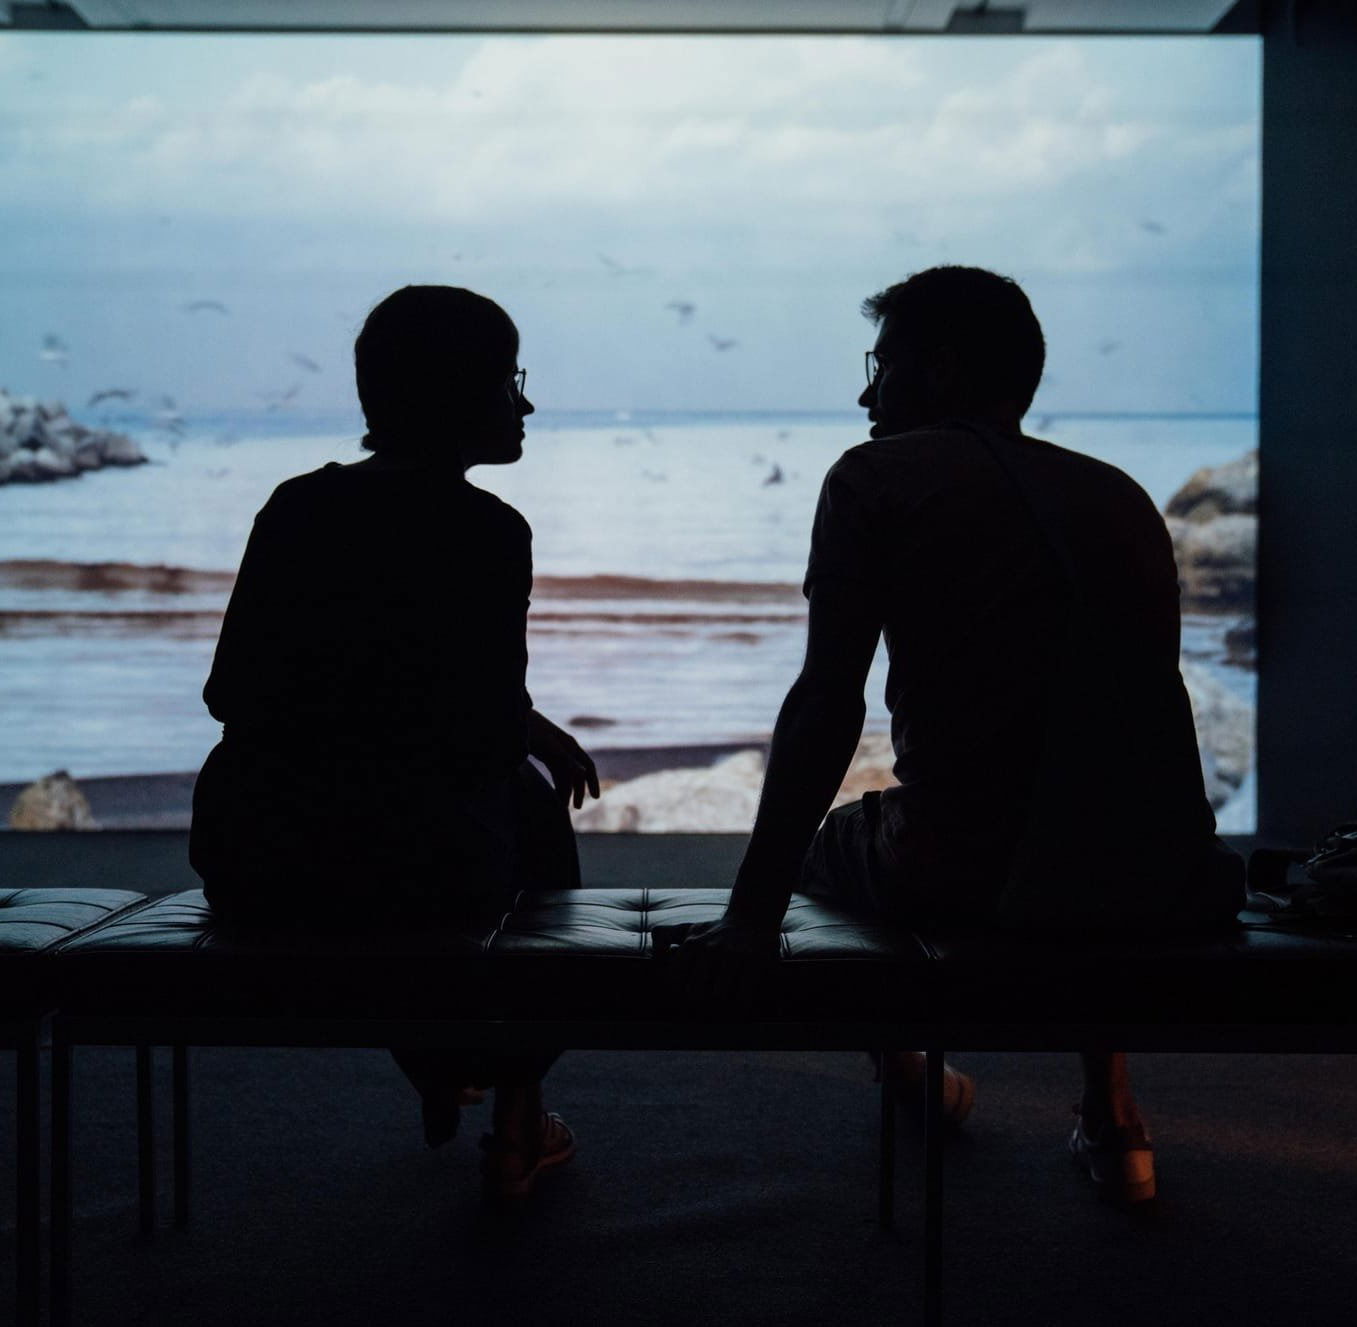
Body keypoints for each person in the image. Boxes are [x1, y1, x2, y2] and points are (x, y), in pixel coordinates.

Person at [673, 265, 1244, 1204]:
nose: (865, 391)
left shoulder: (873, 477)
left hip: (970, 870)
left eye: (880, 363)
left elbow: (826, 701)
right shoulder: (1118, 494)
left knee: (836, 847)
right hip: (1159, 872)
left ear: (935, 372)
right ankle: (1112, 1112)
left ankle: (914, 1079)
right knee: (1081, 798)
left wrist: (748, 915)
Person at [190, 284, 599, 1200]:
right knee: (525, 818)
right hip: (419, 873)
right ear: (463, 394)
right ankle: (516, 1117)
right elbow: (479, 729)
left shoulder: (295, 506)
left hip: (258, 858)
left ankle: (437, 1052)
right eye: (510, 380)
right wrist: (519, 736)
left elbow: (232, 690)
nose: (525, 403)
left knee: (423, 822)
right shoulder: (488, 530)